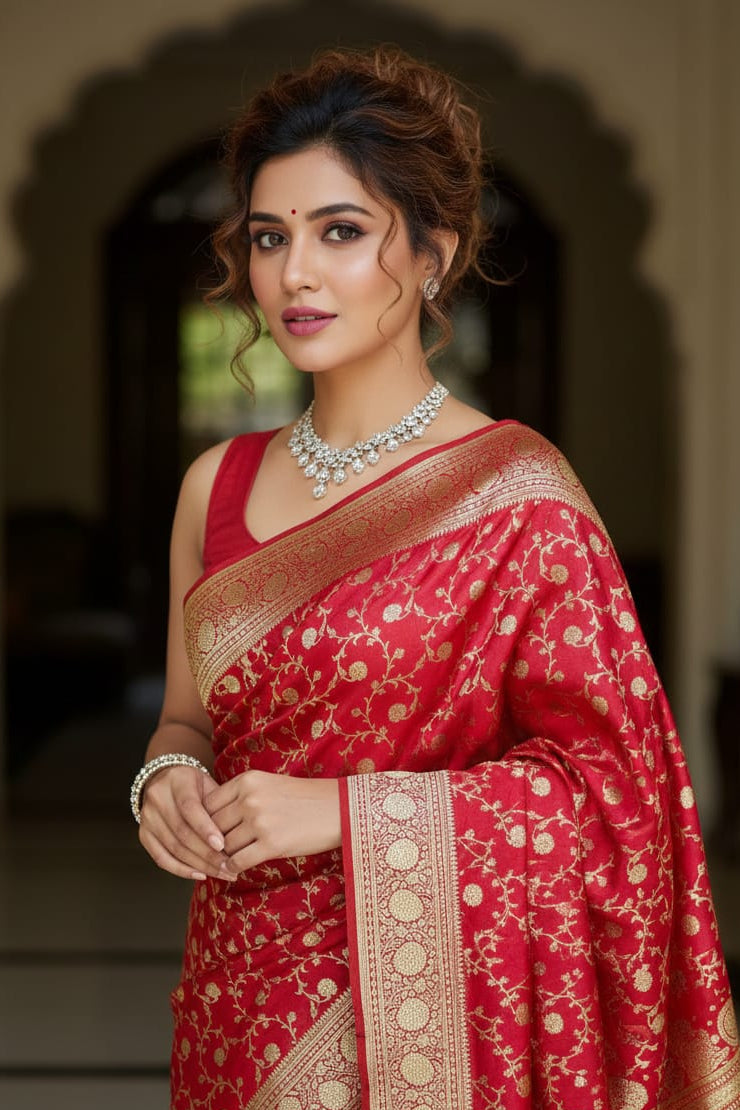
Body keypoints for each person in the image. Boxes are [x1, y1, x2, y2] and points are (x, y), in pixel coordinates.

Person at [132, 45, 740, 1110]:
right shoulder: (212, 486)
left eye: (340, 232)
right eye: (269, 237)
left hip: (447, 1028)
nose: (295, 273)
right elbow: (187, 721)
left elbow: (615, 801)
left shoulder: (519, 497)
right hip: (240, 1004)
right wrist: (165, 782)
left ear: (432, 254)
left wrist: (345, 813)